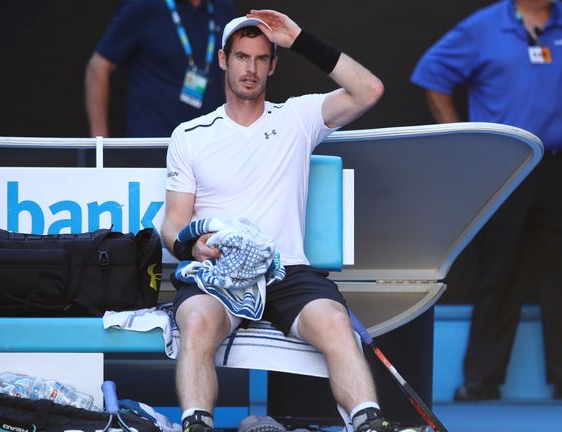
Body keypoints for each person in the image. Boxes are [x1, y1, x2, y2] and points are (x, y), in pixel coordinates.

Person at [160, 9, 391, 432]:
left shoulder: (297, 118)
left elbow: (369, 90)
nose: (251, 69)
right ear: (223, 59)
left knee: (338, 323)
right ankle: (196, 424)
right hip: (218, 272)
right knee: (194, 321)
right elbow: (173, 223)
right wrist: (191, 246)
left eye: (261, 59)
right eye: (242, 57)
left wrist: (301, 39)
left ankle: (367, 422)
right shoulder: (190, 135)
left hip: (287, 270)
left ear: (273, 64)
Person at [410, 0, 562, 402]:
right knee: (497, 272)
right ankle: (481, 379)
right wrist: (464, 137)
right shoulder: (483, 26)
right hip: (506, 165)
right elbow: (432, 75)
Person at [85, 0, 235, 137]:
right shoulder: (143, 6)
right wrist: (100, 144)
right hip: (152, 146)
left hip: (207, 146)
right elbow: (98, 67)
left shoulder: (223, 7)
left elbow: (229, 74)